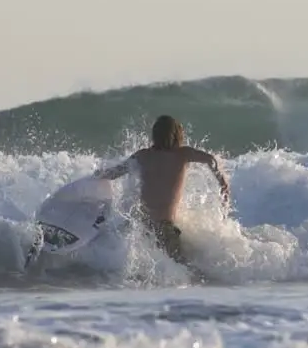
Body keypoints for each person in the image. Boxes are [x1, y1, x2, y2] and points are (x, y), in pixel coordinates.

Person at [92, 115, 231, 274]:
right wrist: (223, 183)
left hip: (141, 226)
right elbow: (211, 160)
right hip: (165, 228)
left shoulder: (143, 155)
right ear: (177, 135)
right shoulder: (182, 154)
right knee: (182, 270)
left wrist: (95, 177)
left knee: (138, 271)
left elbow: (114, 173)